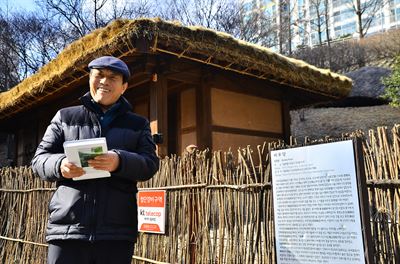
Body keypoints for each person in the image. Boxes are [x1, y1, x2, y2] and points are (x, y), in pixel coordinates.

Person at [31, 56, 159, 264]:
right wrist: (59, 165)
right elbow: (39, 160)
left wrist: (119, 161)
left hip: (116, 233)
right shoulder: (65, 117)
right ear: (89, 79)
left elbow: (150, 164)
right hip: (67, 230)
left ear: (124, 86)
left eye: (112, 77)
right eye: (99, 75)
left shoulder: (138, 124)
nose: (104, 82)